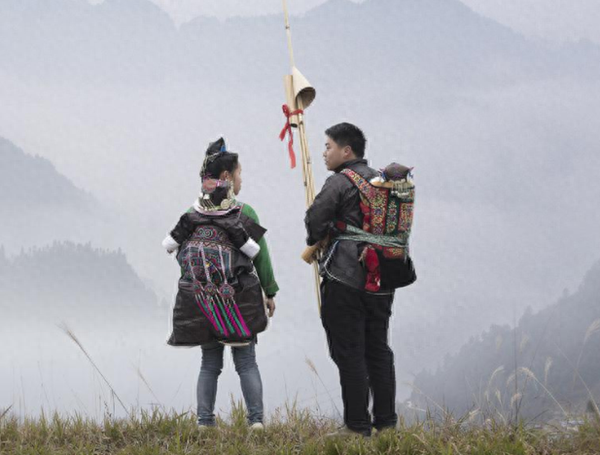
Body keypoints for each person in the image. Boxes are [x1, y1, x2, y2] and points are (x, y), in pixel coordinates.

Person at [163, 137, 279, 429]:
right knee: (246, 362)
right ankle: (256, 422)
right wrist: (269, 291)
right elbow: (261, 257)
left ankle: (205, 422)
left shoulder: (193, 214)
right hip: (238, 301)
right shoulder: (244, 213)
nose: (241, 179)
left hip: (204, 300)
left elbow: (183, 257)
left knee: (209, 364)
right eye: (239, 173)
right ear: (226, 176)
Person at [304, 123, 400, 437]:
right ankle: (386, 423)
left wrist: (321, 234)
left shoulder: (340, 182)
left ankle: (357, 426)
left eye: (328, 146)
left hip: (345, 277)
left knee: (349, 351)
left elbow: (314, 223)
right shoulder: (384, 182)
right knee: (378, 349)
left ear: (346, 151)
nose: (324, 153)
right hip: (383, 277)